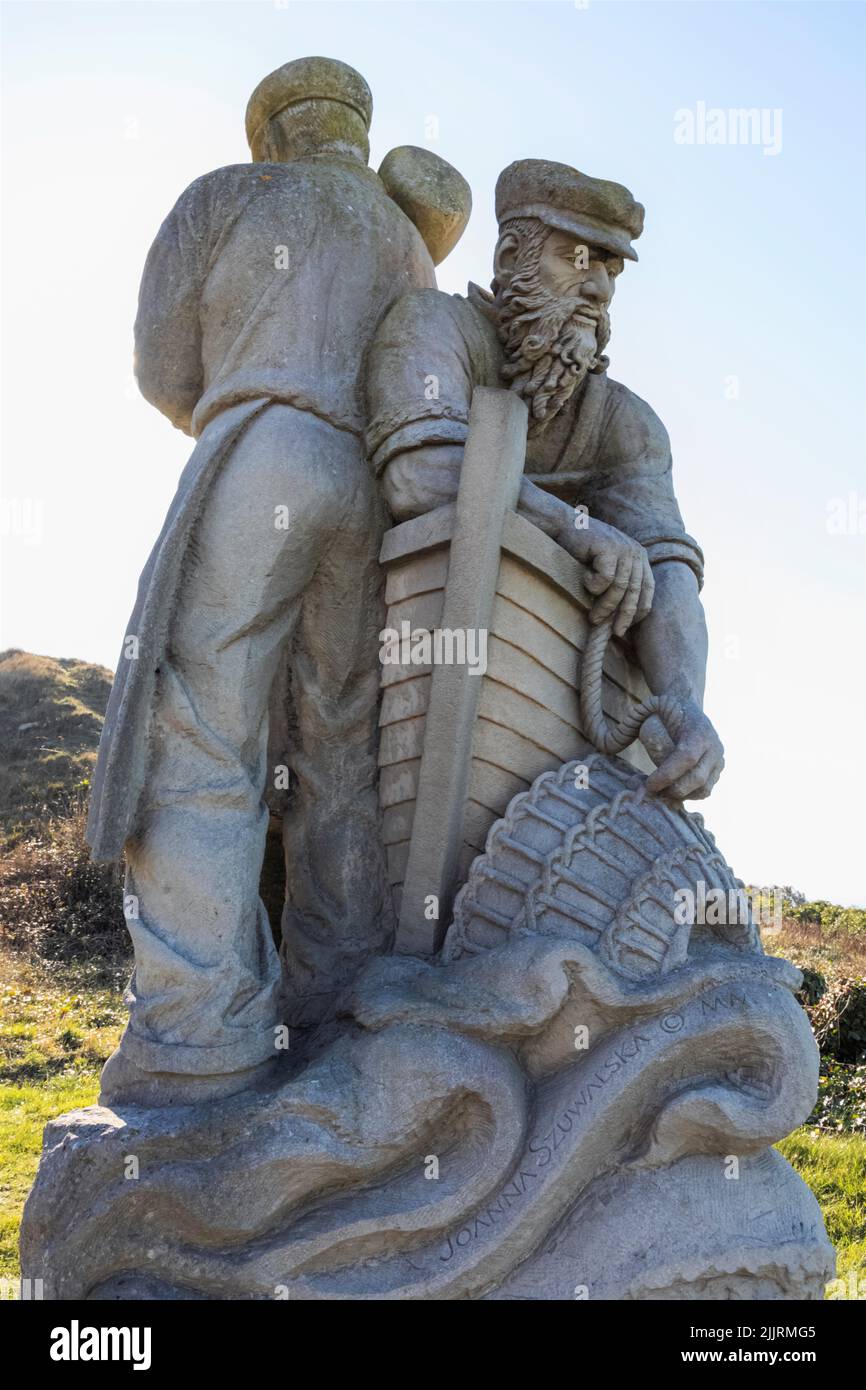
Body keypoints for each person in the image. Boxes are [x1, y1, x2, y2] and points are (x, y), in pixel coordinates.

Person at [88, 57, 466, 1105]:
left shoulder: (225, 195)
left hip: (264, 448)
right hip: (369, 486)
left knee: (202, 729)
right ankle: (334, 1005)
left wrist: (243, 396)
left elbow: (163, 367)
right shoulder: (403, 237)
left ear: (271, 132)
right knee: (338, 751)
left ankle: (197, 1030)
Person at [366, 158, 724, 802]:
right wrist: (574, 529)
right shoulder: (432, 328)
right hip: (384, 661)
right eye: (579, 260)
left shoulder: (625, 424)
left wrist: (682, 703)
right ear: (510, 255)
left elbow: (669, 565)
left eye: (611, 271)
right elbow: (419, 475)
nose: (601, 291)